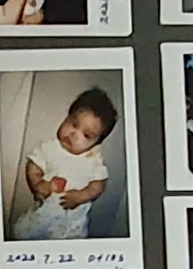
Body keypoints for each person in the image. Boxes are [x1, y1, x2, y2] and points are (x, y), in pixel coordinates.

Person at [13, 85, 119, 239]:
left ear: (96, 143)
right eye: (73, 124)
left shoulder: (93, 160)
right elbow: (33, 165)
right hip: (43, 216)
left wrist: (81, 196)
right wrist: (38, 184)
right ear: (67, 117)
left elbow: (99, 184)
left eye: (86, 135)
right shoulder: (50, 148)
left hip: (72, 225)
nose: (74, 134)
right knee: (24, 235)